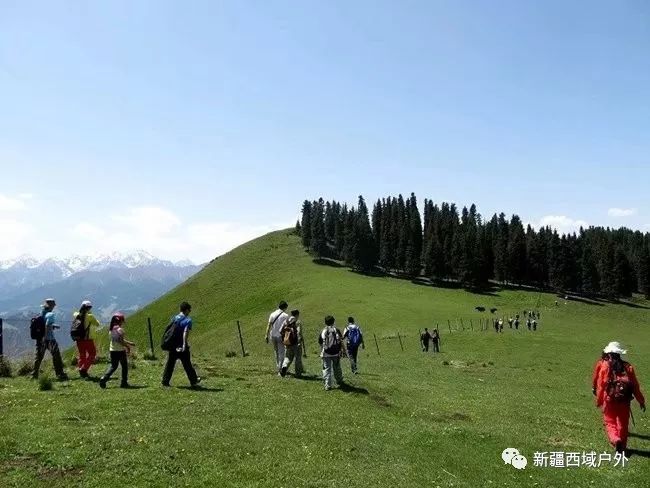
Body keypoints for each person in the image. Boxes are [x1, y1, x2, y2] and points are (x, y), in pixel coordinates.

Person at [596, 342, 646, 454]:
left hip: (609, 400)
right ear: (620, 354)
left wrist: (599, 400)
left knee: (610, 422)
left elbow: (601, 384)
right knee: (623, 424)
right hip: (624, 401)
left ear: (609, 353)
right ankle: (622, 448)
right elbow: (635, 386)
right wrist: (641, 401)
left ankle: (615, 439)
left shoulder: (605, 366)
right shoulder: (628, 367)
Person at [162, 302, 201, 388]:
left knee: (170, 363)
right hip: (181, 346)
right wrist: (184, 344)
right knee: (187, 364)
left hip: (173, 346)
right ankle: (194, 381)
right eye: (189, 310)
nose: (189, 312)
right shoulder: (187, 320)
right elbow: (185, 332)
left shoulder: (174, 318)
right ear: (186, 310)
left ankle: (165, 381)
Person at [33, 298, 68, 381]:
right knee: (56, 356)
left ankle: (34, 374)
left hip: (40, 338)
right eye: (53, 305)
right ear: (51, 305)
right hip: (49, 338)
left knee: (39, 357)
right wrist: (52, 327)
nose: (54, 307)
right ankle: (60, 374)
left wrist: (52, 326)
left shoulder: (41, 313)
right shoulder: (50, 314)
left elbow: (45, 324)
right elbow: (47, 325)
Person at [99, 313, 135, 389]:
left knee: (113, 366)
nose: (122, 323)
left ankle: (104, 378)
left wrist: (129, 343)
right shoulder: (120, 330)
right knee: (124, 366)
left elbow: (117, 340)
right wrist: (128, 347)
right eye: (122, 321)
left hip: (112, 350)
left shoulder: (111, 330)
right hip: (120, 351)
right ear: (120, 321)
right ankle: (124, 382)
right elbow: (121, 341)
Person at [73, 300, 102, 379]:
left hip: (78, 339)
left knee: (82, 355)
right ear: (89, 308)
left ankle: (81, 370)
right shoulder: (90, 316)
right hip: (87, 339)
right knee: (92, 354)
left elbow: (75, 313)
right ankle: (84, 369)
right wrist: (91, 314)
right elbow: (97, 324)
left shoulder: (76, 315)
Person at [318, 315, 344, 391]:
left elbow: (320, 342)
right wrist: (342, 350)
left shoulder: (323, 331)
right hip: (336, 353)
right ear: (333, 322)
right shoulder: (337, 330)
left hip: (326, 353)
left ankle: (327, 385)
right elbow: (340, 341)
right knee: (337, 368)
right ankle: (339, 381)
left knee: (327, 369)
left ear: (325, 322)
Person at [266, 301, 289, 374]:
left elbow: (269, 325)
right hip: (280, 336)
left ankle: (278, 366)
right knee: (281, 353)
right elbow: (287, 327)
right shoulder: (285, 315)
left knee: (276, 352)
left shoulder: (272, 314)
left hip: (273, 335)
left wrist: (266, 334)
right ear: (285, 307)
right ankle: (280, 369)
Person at [280, 310, 304, 377]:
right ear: (297, 315)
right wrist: (300, 340)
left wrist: (284, 338)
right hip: (296, 343)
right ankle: (298, 373)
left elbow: (280, 330)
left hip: (287, 343)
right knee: (297, 358)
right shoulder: (297, 322)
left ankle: (284, 367)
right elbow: (299, 332)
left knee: (287, 357)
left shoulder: (286, 321)